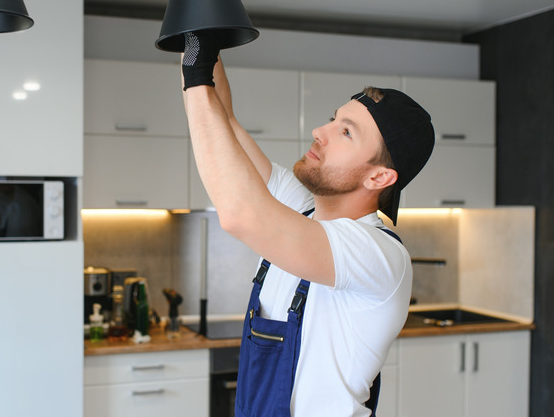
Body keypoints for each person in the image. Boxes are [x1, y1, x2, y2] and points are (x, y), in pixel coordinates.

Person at [179, 32, 435, 417]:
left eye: (346, 132)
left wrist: (195, 71)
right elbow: (223, 122)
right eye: (334, 119)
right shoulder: (301, 210)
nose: (320, 131)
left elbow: (240, 214)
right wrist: (197, 18)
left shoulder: (379, 255)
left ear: (379, 178)